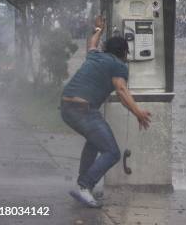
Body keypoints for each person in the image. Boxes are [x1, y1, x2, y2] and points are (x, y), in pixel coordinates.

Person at [60, 15, 151, 208]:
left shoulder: (95, 55)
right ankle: (84, 186)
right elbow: (121, 90)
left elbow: (92, 43)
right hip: (83, 109)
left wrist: (99, 29)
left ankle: (82, 184)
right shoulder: (119, 65)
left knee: (94, 143)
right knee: (112, 152)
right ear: (124, 53)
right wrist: (138, 113)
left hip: (66, 106)